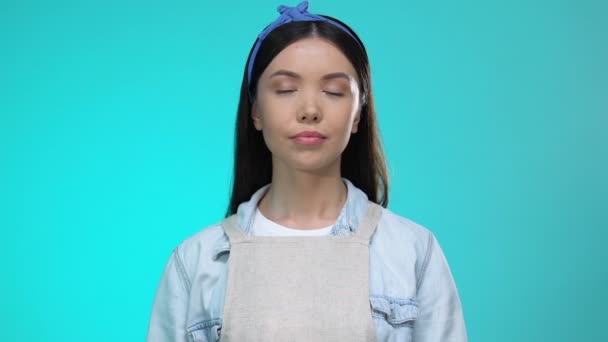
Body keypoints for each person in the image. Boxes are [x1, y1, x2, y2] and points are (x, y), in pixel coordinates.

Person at [146, 1, 467, 341]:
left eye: (333, 91)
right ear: (255, 110)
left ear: (358, 114)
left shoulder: (412, 252)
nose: (310, 109)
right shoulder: (197, 263)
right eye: (285, 89)